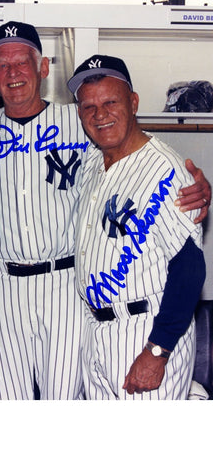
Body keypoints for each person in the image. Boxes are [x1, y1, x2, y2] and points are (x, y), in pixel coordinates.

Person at [0, 21, 211, 400]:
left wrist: (194, 185)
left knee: (65, 403)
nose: (13, 73)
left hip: (66, 284)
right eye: (3, 65)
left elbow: (139, 152)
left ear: (43, 68)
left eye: (23, 62)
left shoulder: (80, 122)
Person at [67, 54, 206, 399]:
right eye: (88, 107)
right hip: (96, 332)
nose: (99, 115)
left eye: (110, 102)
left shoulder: (166, 170)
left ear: (133, 102)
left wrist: (158, 351)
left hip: (145, 333)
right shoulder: (91, 163)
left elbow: (189, 269)